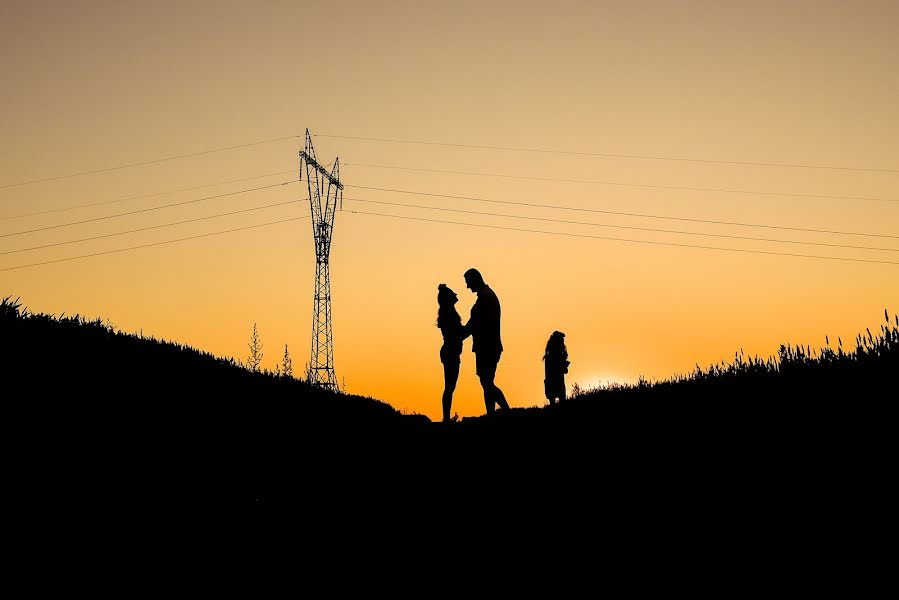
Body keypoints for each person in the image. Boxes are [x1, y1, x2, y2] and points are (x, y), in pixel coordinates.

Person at [461, 268, 510, 415]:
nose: (467, 287)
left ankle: (506, 411)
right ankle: (491, 414)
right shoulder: (486, 296)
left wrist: (458, 335)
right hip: (488, 346)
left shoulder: (485, 298)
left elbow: (474, 324)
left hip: (488, 347)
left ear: (475, 280)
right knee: (486, 382)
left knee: (487, 382)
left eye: (468, 283)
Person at [436, 284, 464, 423]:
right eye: (453, 294)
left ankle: (446, 417)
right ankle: (446, 418)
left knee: (449, 387)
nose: (456, 296)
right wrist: (472, 326)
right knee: (449, 387)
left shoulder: (449, 312)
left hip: (449, 352)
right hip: (450, 352)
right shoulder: (449, 314)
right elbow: (459, 334)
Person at [543, 330, 569, 404]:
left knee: (553, 403)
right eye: (561, 340)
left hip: (551, 383)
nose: (563, 342)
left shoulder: (548, 356)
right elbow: (563, 370)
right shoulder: (555, 356)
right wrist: (564, 363)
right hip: (556, 383)